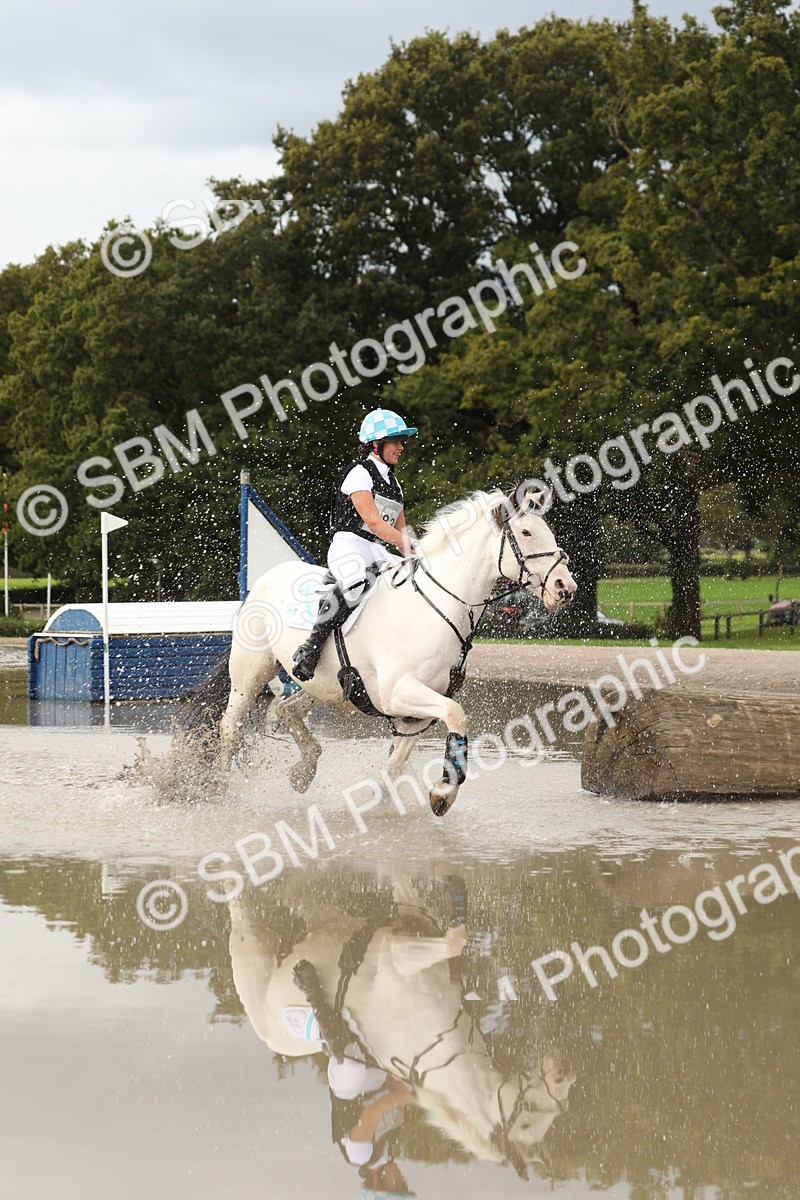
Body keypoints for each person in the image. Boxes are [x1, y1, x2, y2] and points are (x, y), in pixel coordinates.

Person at [292, 408, 417, 682]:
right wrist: (410, 544)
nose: (400, 447)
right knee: (356, 579)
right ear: (376, 444)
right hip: (349, 544)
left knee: (406, 584)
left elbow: (400, 528)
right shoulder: (359, 473)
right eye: (395, 441)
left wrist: (418, 551)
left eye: (400, 442)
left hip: (377, 549)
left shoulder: (394, 483)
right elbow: (374, 523)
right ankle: (310, 648)